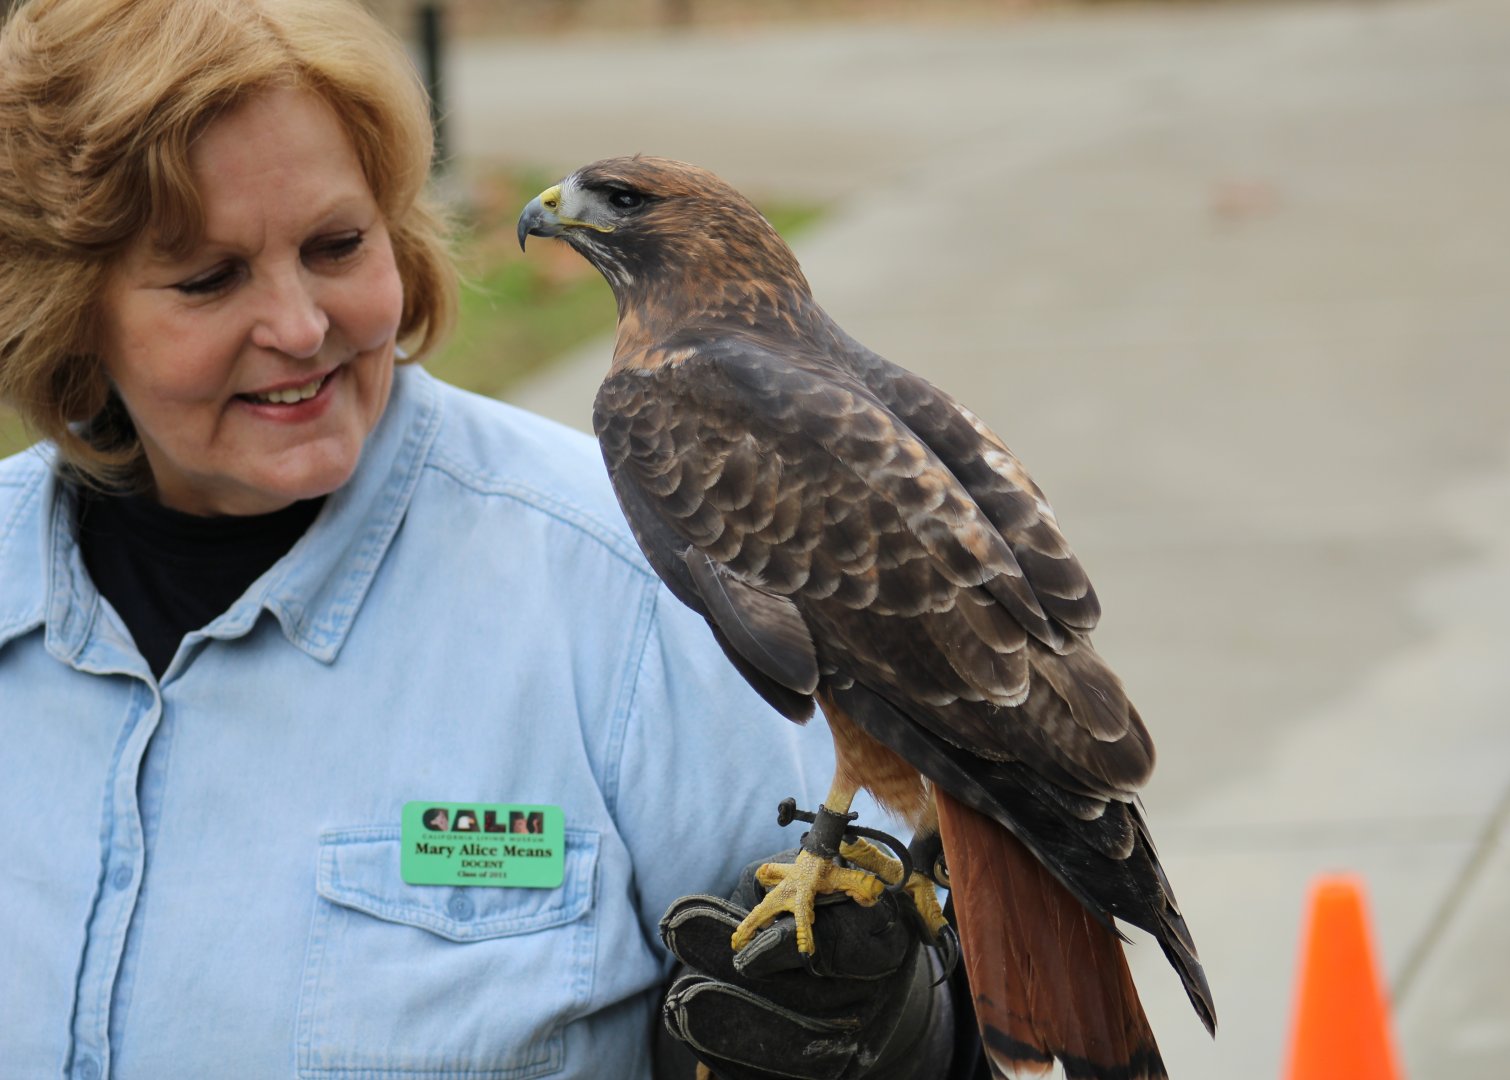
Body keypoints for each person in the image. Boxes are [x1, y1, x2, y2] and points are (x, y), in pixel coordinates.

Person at [0, 1, 970, 1078]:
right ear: (63, 301)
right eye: (209, 278)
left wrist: (899, 1038)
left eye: (337, 246)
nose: (299, 327)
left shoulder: (630, 578)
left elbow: (880, 962)